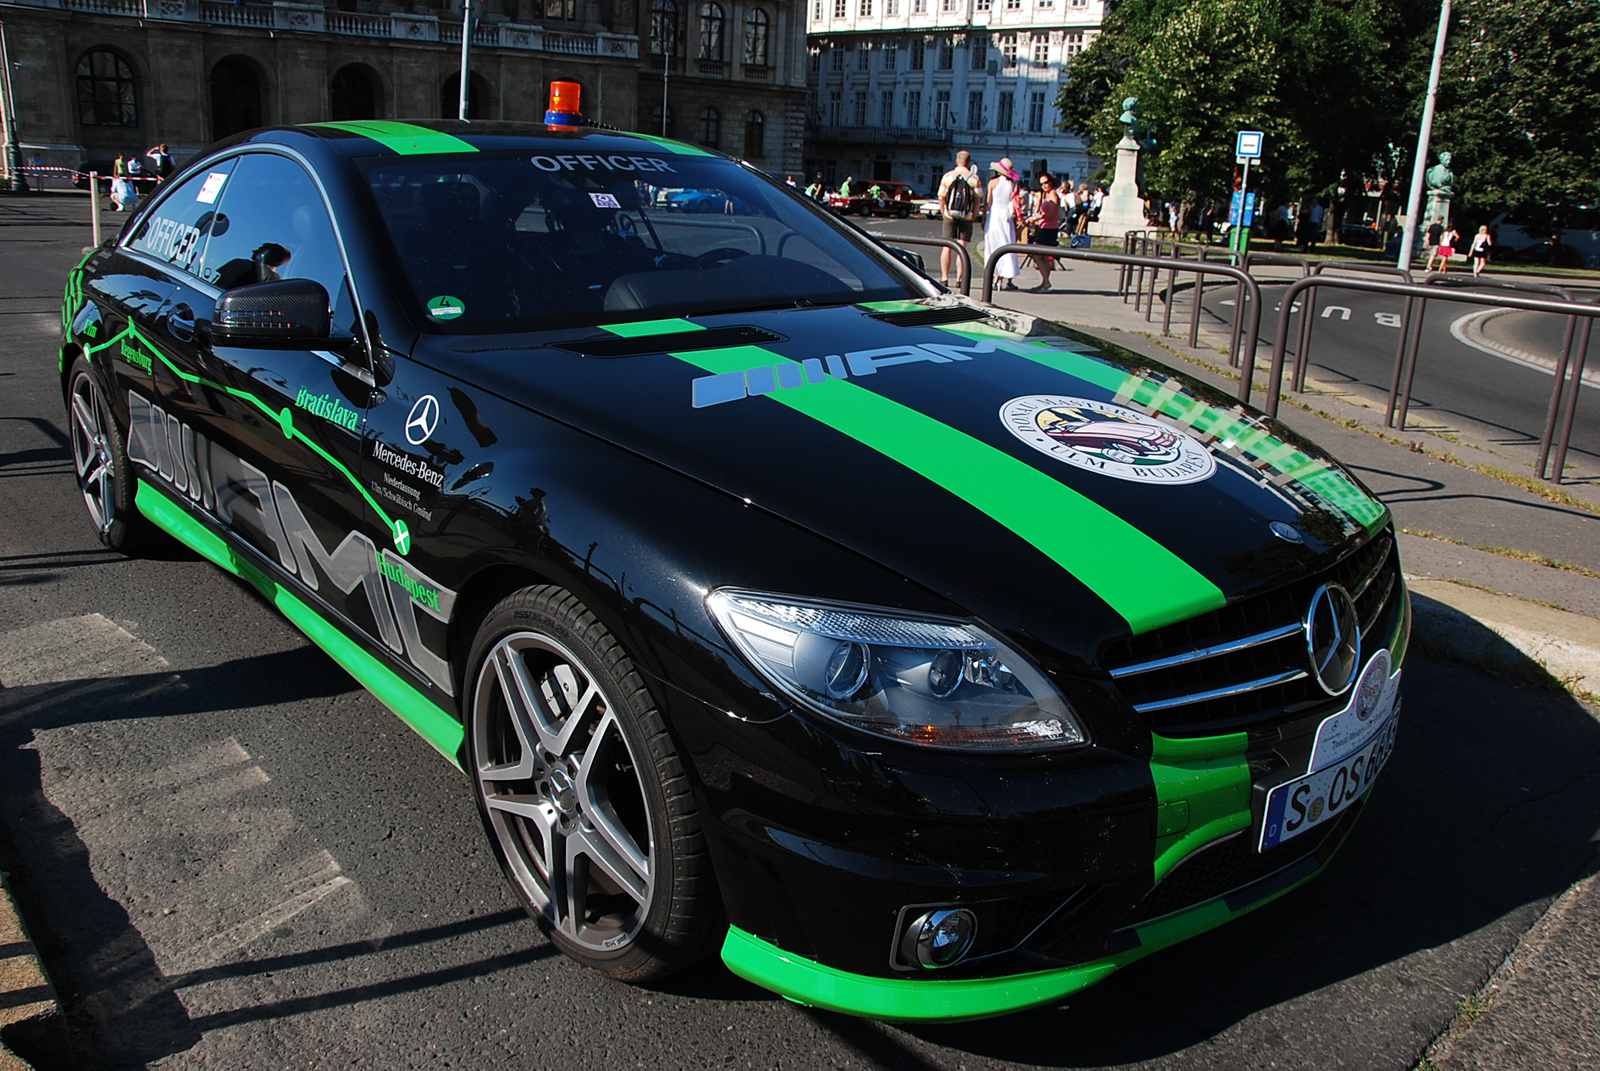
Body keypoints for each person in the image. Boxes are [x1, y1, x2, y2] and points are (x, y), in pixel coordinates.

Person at [937, 149, 984, 287]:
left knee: (947, 246)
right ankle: (959, 279)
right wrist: (974, 215)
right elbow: (977, 199)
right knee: (961, 248)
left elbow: (941, 197)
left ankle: (944, 278)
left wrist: (944, 212)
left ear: (957, 161)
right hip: (966, 216)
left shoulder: (947, 176)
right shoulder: (974, 178)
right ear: (968, 163)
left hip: (949, 215)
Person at [984, 158, 1021, 291]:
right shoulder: (1013, 184)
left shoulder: (992, 182)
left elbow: (988, 202)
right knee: (1008, 245)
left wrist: (983, 217)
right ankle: (1008, 279)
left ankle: (995, 277)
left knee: (994, 246)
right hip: (1007, 218)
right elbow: (1015, 204)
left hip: (994, 217)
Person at [1025, 172, 1062, 291]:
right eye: (1042, 184)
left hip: (1050, 228)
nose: (1044, 185)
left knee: (1037, 253)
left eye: (1046, 182)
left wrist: (1036, 218)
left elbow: (1051, 213)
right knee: (1043, 256)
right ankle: (1045, 282)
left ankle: (1046, 282)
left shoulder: (1053, 195)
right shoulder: (1047, 195)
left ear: (1051, 182)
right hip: (1045, 227)